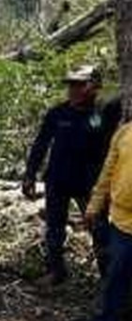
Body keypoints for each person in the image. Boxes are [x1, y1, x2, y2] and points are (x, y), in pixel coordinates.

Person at [22, 65, 121, 285]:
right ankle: (56, 271)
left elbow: (123, 93)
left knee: (100, 231)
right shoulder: (58, 113)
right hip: (58, 180)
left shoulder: (106, 111)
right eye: (71, 85)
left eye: (80, 84)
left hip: (90, 184)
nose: (73, 90)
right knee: (54, 229)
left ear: (95, 86)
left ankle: (108, 281)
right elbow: (41, 144)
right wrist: (30, 174)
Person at [79, 116, 132, 321]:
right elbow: (107, 173)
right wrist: (93, 206)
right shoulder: (124, 133)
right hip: (122, 221)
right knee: (115, 276)